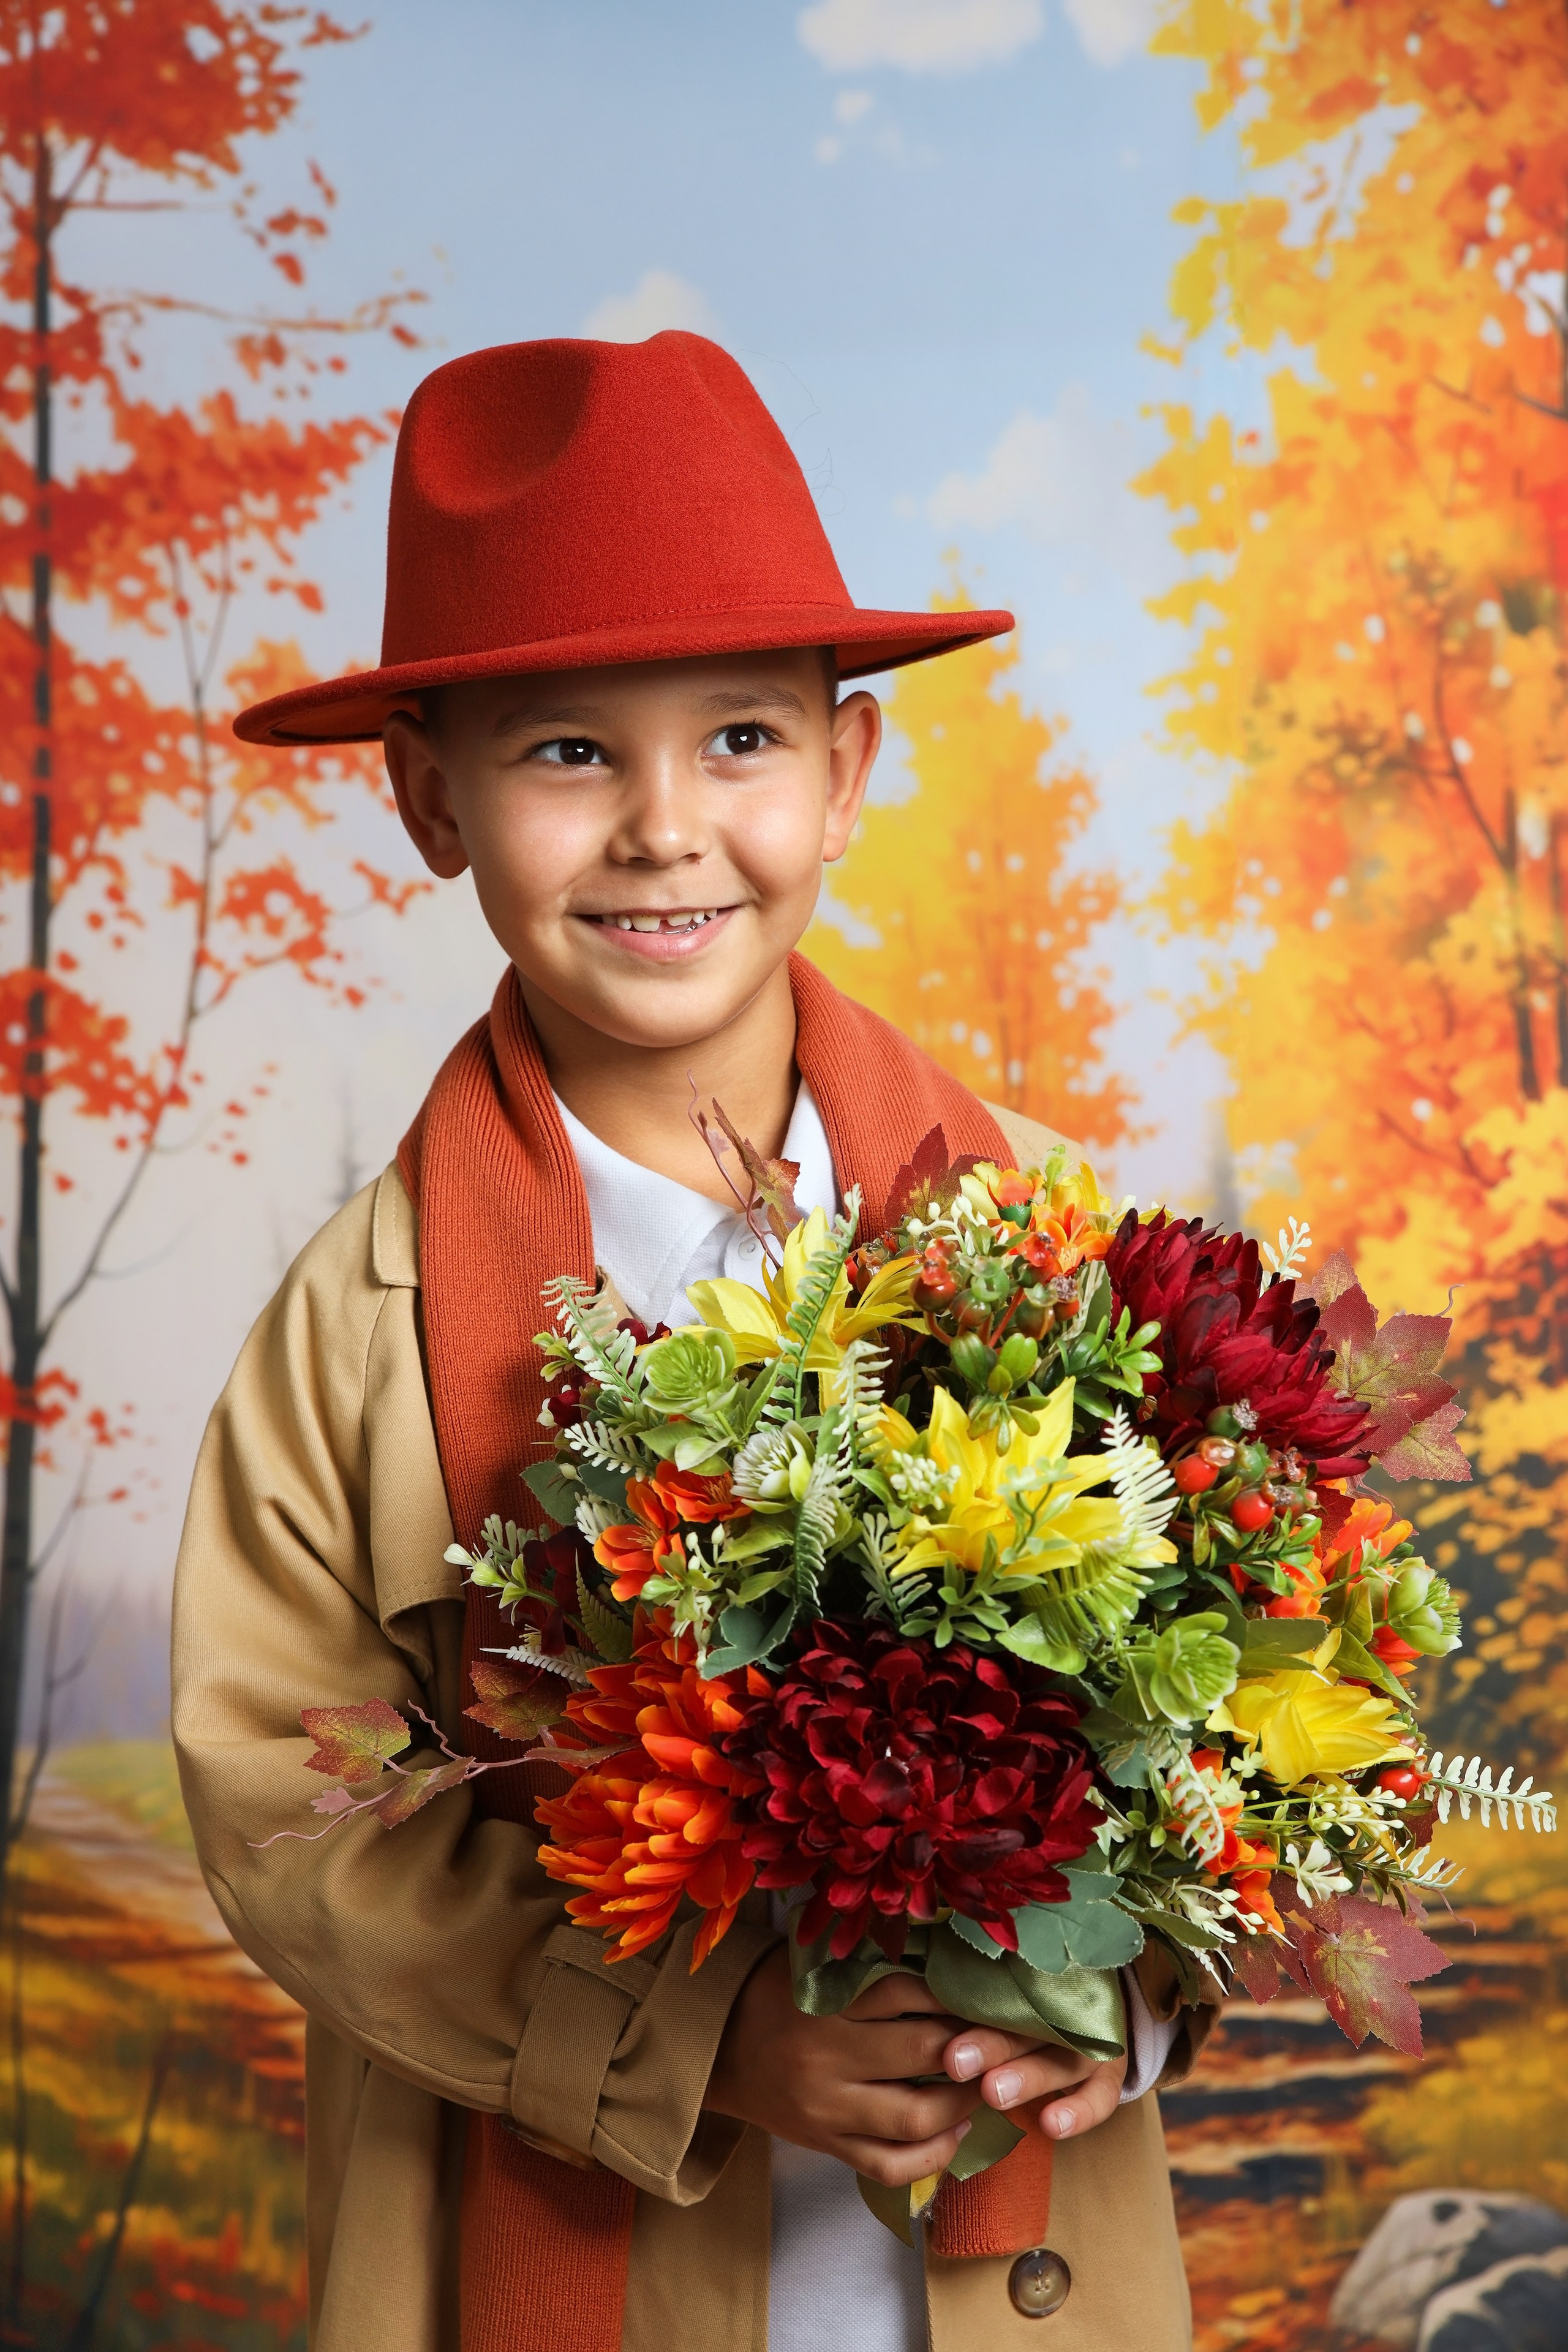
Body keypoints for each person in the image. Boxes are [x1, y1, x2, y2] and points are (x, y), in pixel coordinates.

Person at [172, 333, 1217, 2352]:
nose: (664, 829)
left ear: (846, 774)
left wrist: (1133, 2000)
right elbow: (291, 1814)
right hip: (558, 2246)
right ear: (427, 798)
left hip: (1015, 2274)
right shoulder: (357, 1333)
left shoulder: (1055, 1220)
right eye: (569, 751)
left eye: (739, 738)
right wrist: (700, 2040)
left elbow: (1227, 1716)